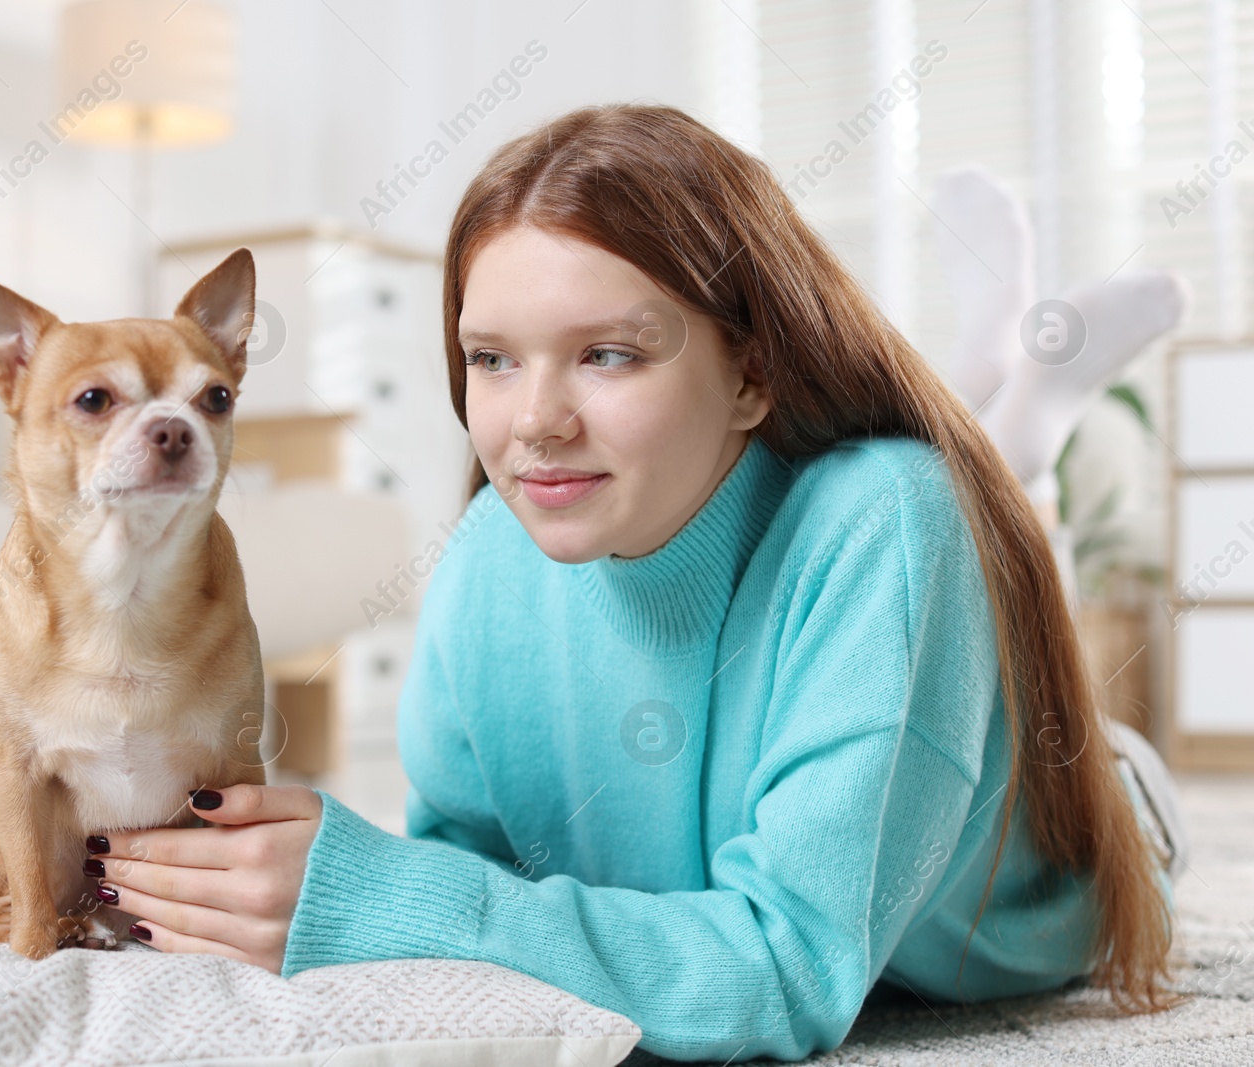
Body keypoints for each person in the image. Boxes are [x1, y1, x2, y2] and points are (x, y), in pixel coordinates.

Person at [77, 104, 1181, 1063]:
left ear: (752, 369)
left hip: (1092, 826)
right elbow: (486, 890)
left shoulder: (888, 521)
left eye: (607, 353)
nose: (532, 425)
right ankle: (1004, 377)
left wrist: (384, 896)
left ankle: (1026, 395)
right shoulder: (483, 556)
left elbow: (786, 970)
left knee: (964, 482)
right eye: (492, 358)